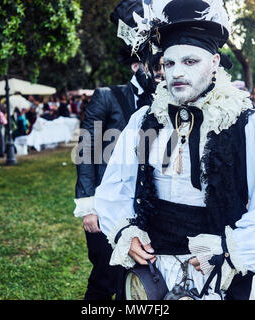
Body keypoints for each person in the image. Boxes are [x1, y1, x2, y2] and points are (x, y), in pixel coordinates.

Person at [93, 0, 255, 300]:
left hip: (218, 272)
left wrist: (231, 250)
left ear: (215, 62)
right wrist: (123, 232)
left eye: (190, 61)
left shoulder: (247, 124)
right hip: (154, 270)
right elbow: (115, 187)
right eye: (169, 63)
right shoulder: (145, 120)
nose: (177, 72)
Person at [73, 0, 163, 300]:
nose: (157, 71)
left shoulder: (163, 103)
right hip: (104, 202)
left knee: (136, 281)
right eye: (151, 64)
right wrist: (88, 205)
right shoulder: (107, 97)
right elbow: (86, 149)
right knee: (104, 276)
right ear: (135, 65)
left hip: (144, 206)